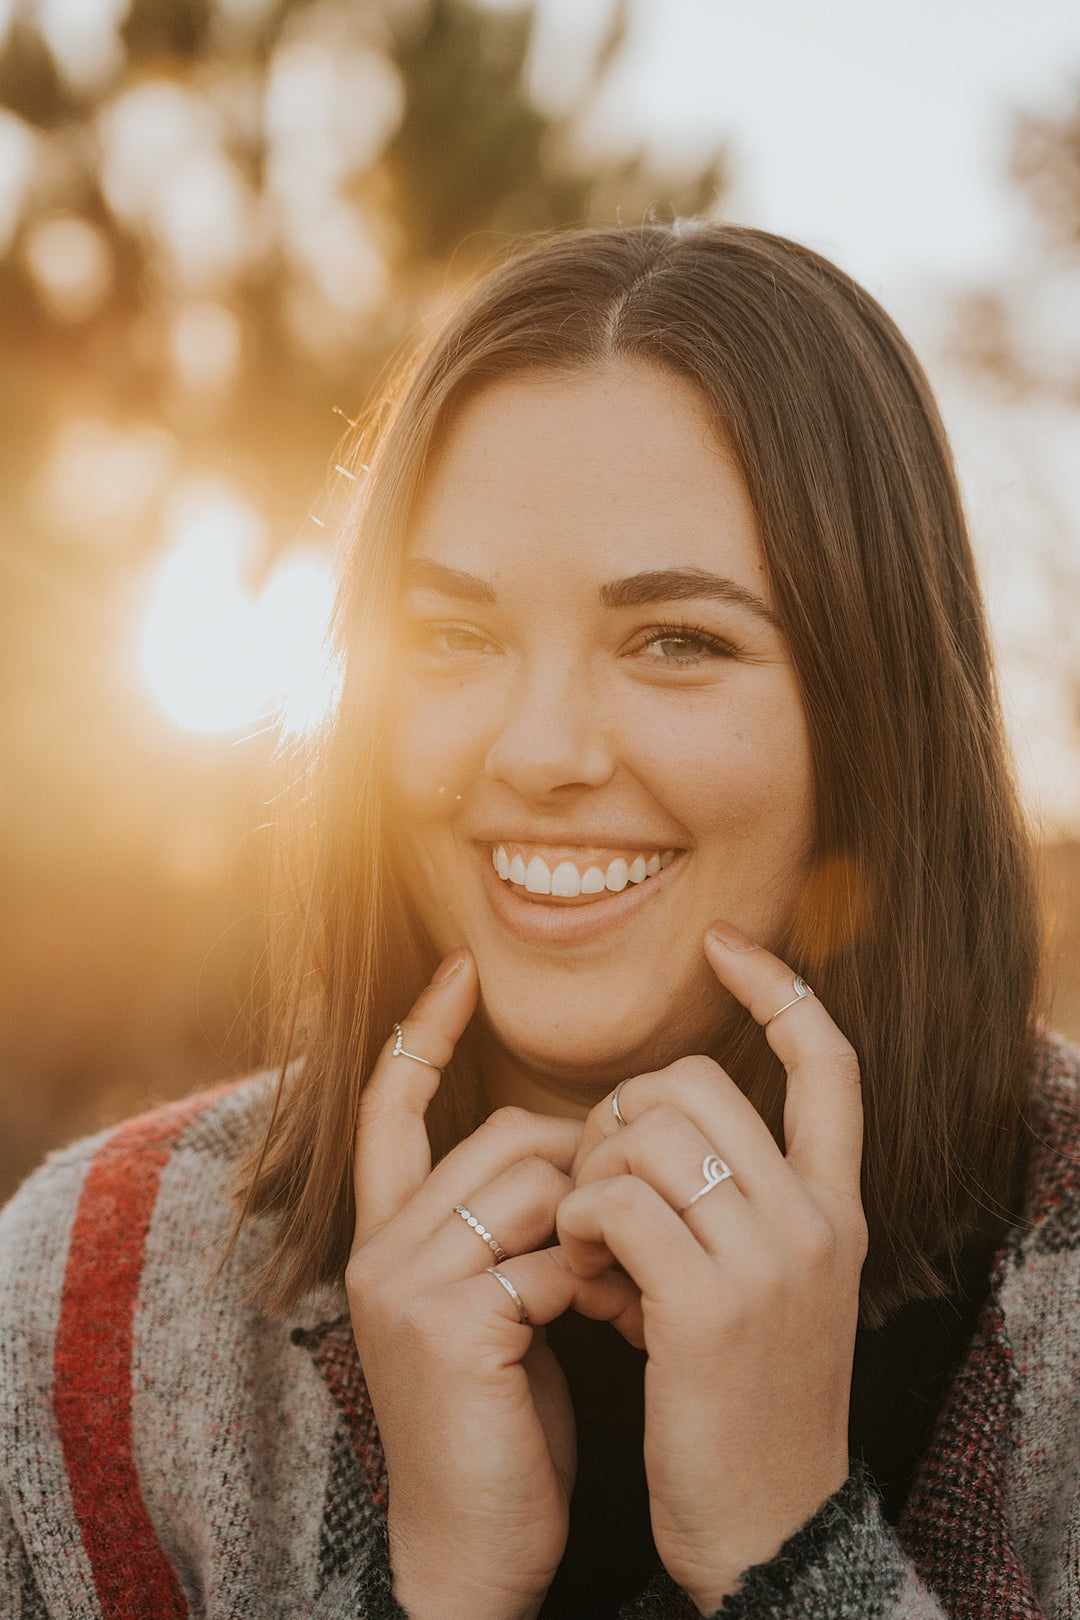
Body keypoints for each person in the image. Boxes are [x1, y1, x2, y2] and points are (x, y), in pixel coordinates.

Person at [0, 220, 1076, 1620]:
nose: (541, 750)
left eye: (676, 641)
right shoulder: (85, 1294)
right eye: (453, 636)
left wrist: (795, 1552)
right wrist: (440, 1592)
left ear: (875, 718)